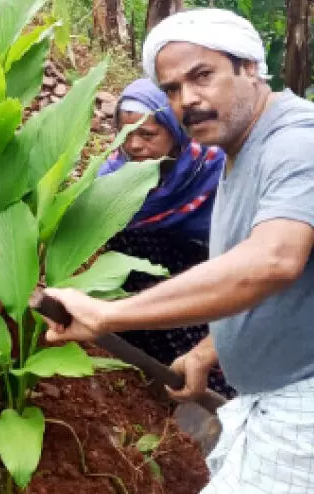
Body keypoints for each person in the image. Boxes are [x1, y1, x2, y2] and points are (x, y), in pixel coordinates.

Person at [32, 8, 314, 493]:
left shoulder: (296, 143)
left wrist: (107, 314)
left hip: (299, 405)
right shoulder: (240, 149)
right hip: (266, 397)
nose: (188, 100)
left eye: (202, 76)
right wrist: (207, 351)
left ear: (250, 67)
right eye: (172, 89)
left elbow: (273, 261)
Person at [97, 78, 234, 398]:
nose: (134, 145)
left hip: (212, 276)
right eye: (127, 134)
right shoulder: (112, 178)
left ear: (175, 131)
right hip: (148, 284)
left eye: (147, 134)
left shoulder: (211, 168)